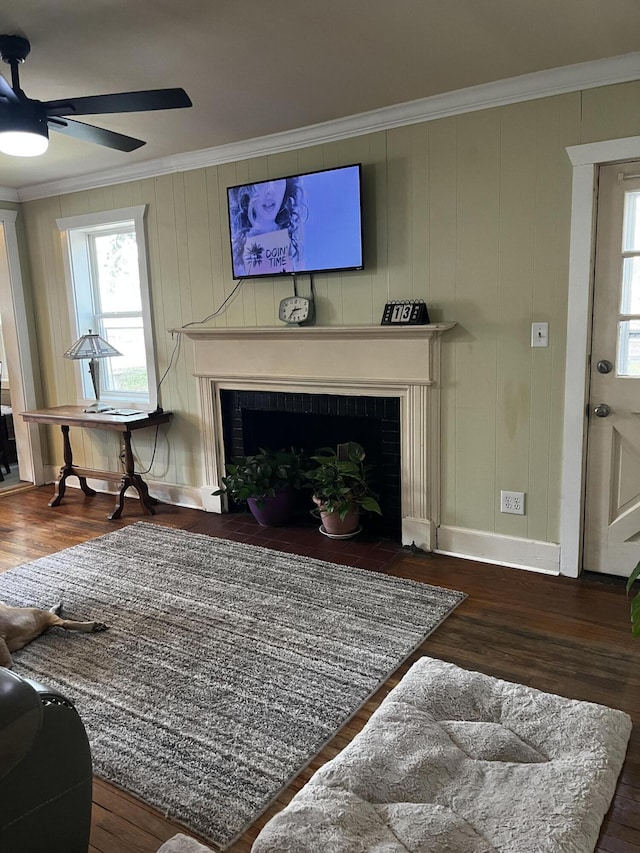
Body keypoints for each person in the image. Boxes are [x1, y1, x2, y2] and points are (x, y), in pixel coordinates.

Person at [229, 177, 306, 276]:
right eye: (261, 184)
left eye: (278, 181)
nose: (270, 190)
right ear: (247, 189)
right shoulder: (236, 245)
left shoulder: (294, 234)